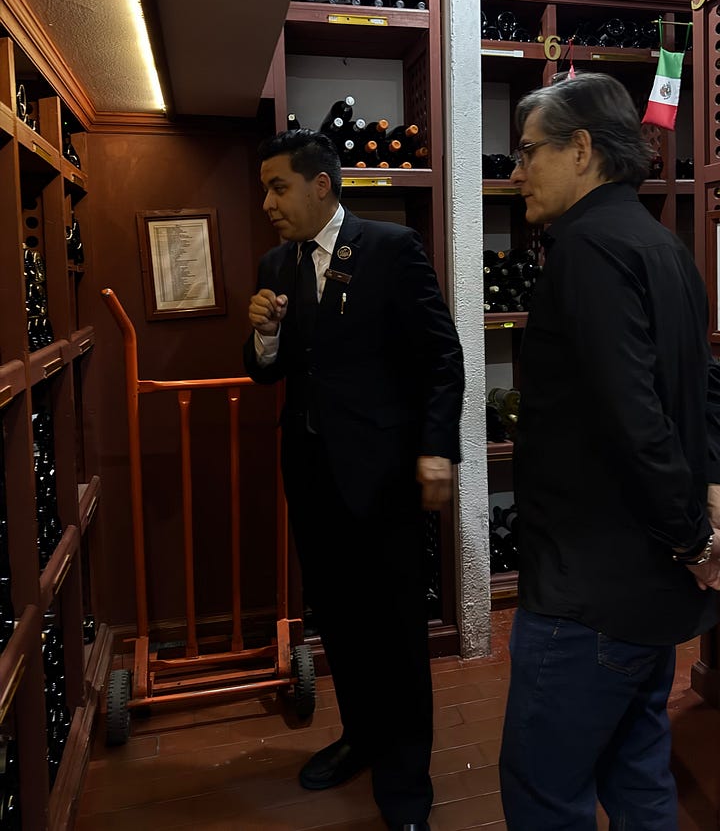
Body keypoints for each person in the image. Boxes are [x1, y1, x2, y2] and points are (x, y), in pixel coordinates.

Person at [499, 72, 720, 830]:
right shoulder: (663, 245)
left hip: (588, 592)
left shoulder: (588, 249)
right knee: (638, 774)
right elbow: (700, 389)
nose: (518, 172)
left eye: (529, 151)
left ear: (581, 149)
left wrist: (693, 535)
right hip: (648, 588)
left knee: (544, 790)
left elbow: (635, 418)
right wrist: (699, 511)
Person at [244, 128, 464, 831]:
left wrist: (437, 448)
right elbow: (270, 371)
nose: (268, 203)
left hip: (384, 479)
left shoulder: (391, 249)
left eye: (278, 187)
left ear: (321, 184)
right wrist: (264, 336)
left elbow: (443, 357)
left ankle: (406, 784)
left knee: (395, 633)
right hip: (312, 480)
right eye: (264, 190)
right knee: (338, 622)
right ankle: (361, 736)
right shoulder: (275, 263)